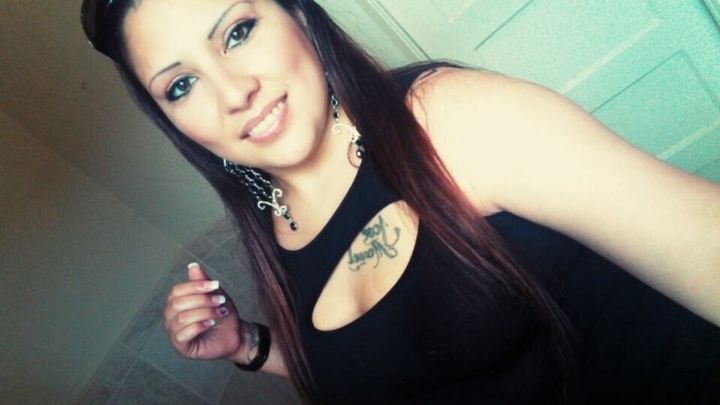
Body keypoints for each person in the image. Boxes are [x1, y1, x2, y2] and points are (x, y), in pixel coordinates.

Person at [80, 0, 720, 403]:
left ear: (297, 13)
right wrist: (247, 343)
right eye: (182, 84)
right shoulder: (273, 225)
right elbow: (375, 373)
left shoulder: (445, 120)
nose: (233, 92)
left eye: (238, 31)